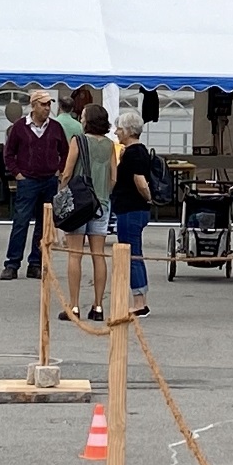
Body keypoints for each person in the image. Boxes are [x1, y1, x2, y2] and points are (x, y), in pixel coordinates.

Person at [1, 89, 68, 281]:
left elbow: (65, 151)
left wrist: (59, 170)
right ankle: (12, 264)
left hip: (48, 180)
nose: (47, 108)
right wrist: (17, 173)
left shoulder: (55, 128)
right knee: (20, 222)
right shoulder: (20, 127)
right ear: (34, 105)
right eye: (44, 104)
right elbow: (9, 153)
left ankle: (36, 263)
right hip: (28, 180)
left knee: (43, 224)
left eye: (49, 104)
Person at [58, 104, 116, 322]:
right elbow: (114, 177)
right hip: (101, 203)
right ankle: (98, 306)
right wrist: (103, 194)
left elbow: (67, 172)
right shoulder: (110, 145)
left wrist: (61, 195)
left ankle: (74, 306)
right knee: (99, 255)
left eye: (82, 116)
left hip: (79, 203)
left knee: (75, 254)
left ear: (87, 120)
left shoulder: (78, 141)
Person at [111, 111, 152, 317]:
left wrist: (148, 197)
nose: (116, 132)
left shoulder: (134, 153)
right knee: (134, 253)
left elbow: (140, 181)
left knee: (131, 254)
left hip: (131, 209)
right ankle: (140, 297)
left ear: (128, 131)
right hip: (132, 208)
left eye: (119, 129)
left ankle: (139, 302)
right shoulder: (133, 151)